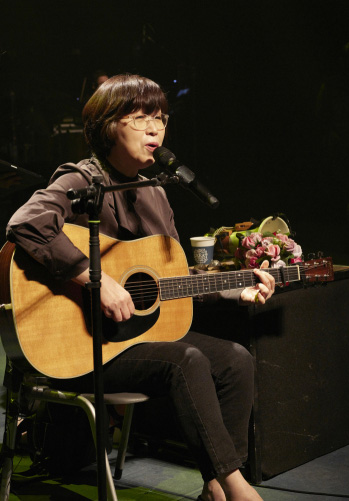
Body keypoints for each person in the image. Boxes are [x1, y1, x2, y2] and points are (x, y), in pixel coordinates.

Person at [6, 74, 268, 501]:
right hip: (86, 346)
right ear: (109, 125)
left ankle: (215, 486)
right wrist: (94, 279)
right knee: (186, 360)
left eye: (161, 118)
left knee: (236, 360)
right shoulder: (80, 179)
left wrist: (236, 289)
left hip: (138, 339)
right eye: (142, 117)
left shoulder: (155, 192)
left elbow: (173, 279)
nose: (155, 129)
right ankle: (236, 489)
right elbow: (25, 224)